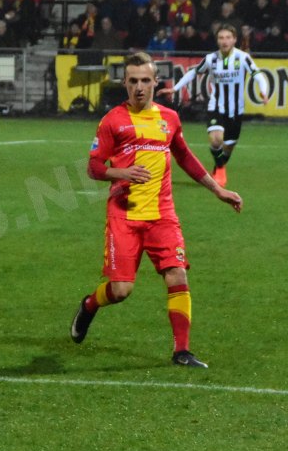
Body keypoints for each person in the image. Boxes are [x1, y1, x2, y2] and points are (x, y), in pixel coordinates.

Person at [71, 52, 244, 369]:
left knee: (177, 274)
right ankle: (90, 304)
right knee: (122, 290)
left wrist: (217, 189)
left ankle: (182, 351)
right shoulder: (113, 121)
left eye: (145, 80)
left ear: (155, 82)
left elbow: (185, 157)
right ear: (124, 83)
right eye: (133, 80)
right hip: (124, 214)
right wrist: (121, 173)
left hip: (162, 214)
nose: (139, 87)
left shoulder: (169, 119)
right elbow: (94, 167)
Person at [157, 23, 269, 187]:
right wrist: (175, 88)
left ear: (234, 40)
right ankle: (221, 168)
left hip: (236, 110)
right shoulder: (211, 59)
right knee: (216, 140)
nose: (224, 41)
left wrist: (264, 91)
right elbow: (193, 72)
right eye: (221, 37)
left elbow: (258, 75)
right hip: (216, 106)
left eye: (228, 37)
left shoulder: (243, 57)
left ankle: (219, 165)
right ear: (217, 40)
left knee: (228, 146)